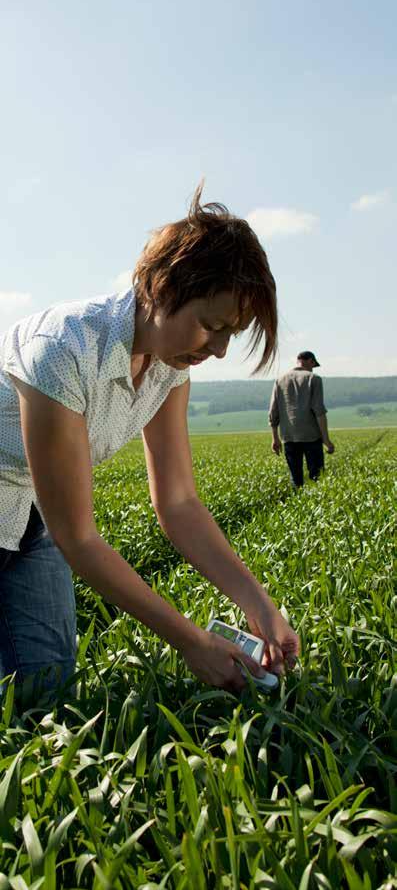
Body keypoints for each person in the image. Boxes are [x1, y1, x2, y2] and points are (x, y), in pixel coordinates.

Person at [0, 184, 299, 705]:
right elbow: (80, 538)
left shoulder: (169, 369)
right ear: (161, 288)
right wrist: (191, 642)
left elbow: (179, 502)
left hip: (28, 515)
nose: (221, 349)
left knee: (45, 691)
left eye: (233, 332)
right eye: (211, 325)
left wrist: (261, 606)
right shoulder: (61, 350)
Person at [269, 350, 335, 487]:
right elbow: (319, 411)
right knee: (317, 478)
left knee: (296, 479)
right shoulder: (314, 379)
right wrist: (326, 440)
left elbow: (273, 412)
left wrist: (275, 439)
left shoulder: (280, 380)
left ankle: (297, 504)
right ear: (310, 361)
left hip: (289, 437)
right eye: (313, 365)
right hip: (311, 436)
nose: (312, 368)